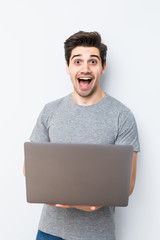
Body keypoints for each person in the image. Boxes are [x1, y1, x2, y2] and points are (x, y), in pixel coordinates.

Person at [23, 31, 140, 240]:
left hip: (98, 235)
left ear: (103, 67)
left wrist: (92, 202)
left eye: (93, 61)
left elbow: (127, 185)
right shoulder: (50, 111)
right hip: (49, 232)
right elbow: (30, 170)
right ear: (68, 67)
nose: (85, 68)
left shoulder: (123, 116)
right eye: (77, 61)